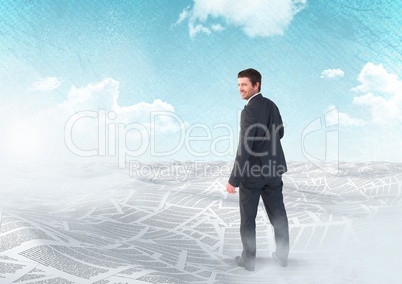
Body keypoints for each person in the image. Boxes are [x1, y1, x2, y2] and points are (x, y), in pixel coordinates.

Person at [226, 68, 289, 271]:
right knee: (278, 215)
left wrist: (233, 179)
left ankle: (249, 260)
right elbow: (280, 132)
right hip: (273, 170)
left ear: (256, 85)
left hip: (253, 174)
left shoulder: (248, 111)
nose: (240, 89)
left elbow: (245, 147)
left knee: (248, 219)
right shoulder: (271, 105)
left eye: (244, 85)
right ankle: (282, 255)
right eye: (238, 85)